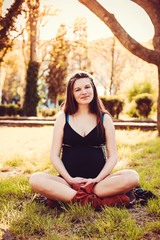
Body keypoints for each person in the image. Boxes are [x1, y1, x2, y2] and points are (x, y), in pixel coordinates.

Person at [29, 71, 139, 209]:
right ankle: (98, 202)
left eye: (87, 87)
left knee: (132, 176)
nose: (84, 92)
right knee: (35, 179)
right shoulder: (63, 117)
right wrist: (70, 180)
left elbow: (113, 157)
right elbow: (54, 155)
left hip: (99, 183)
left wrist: (96, 180)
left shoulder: (105, 119)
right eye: (78, 89)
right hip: (68, 182)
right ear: (72, 94)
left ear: (93, 88)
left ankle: (68, 198)